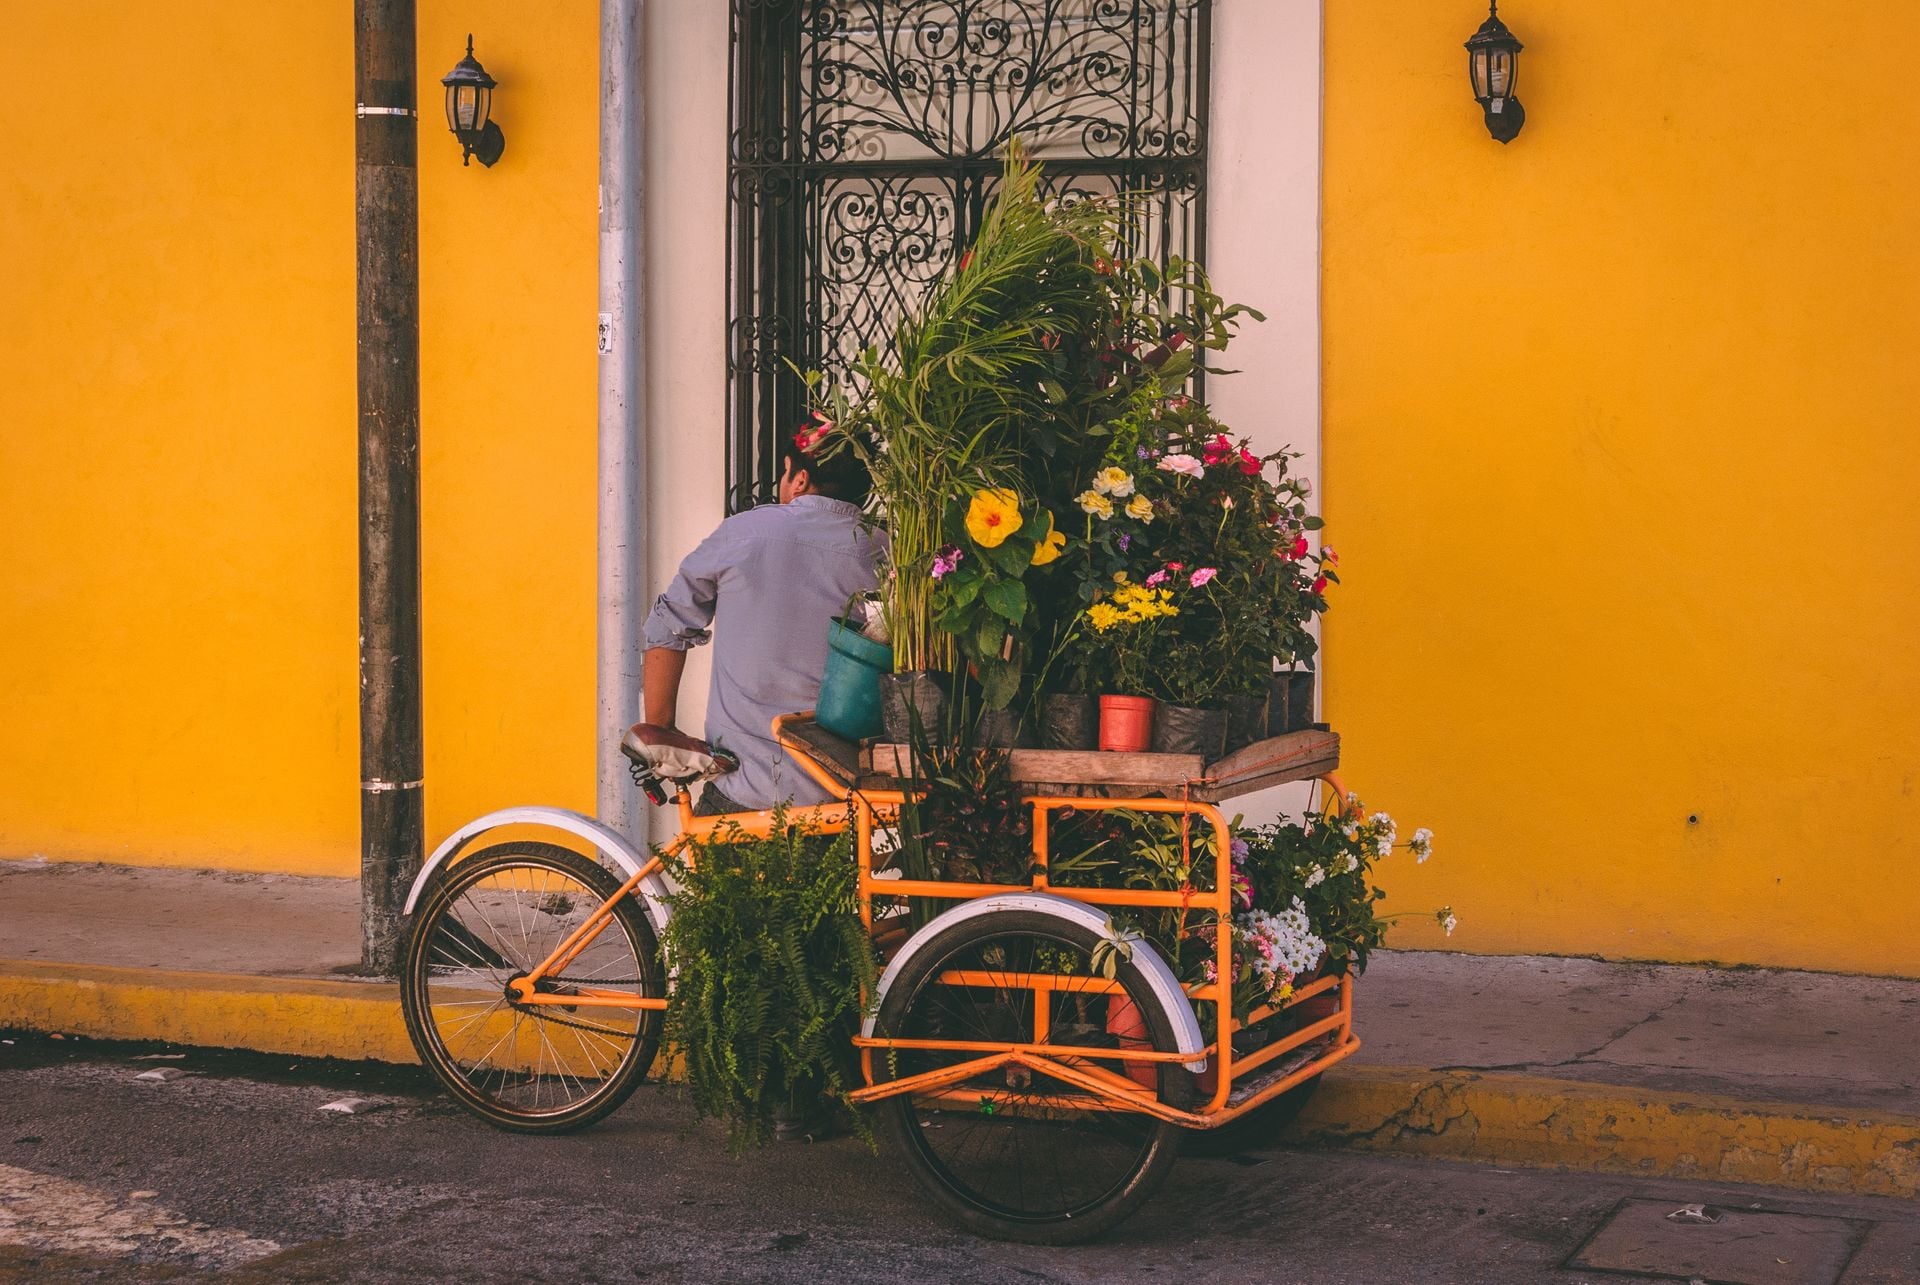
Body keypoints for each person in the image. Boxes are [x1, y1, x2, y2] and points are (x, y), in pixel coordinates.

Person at [640, 427, 883, 816]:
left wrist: (659, 731)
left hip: (740, 788)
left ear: (801, 478)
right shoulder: (886, 552)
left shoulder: (746, 533)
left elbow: (669, 625)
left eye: (785, 472)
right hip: (840, 797)